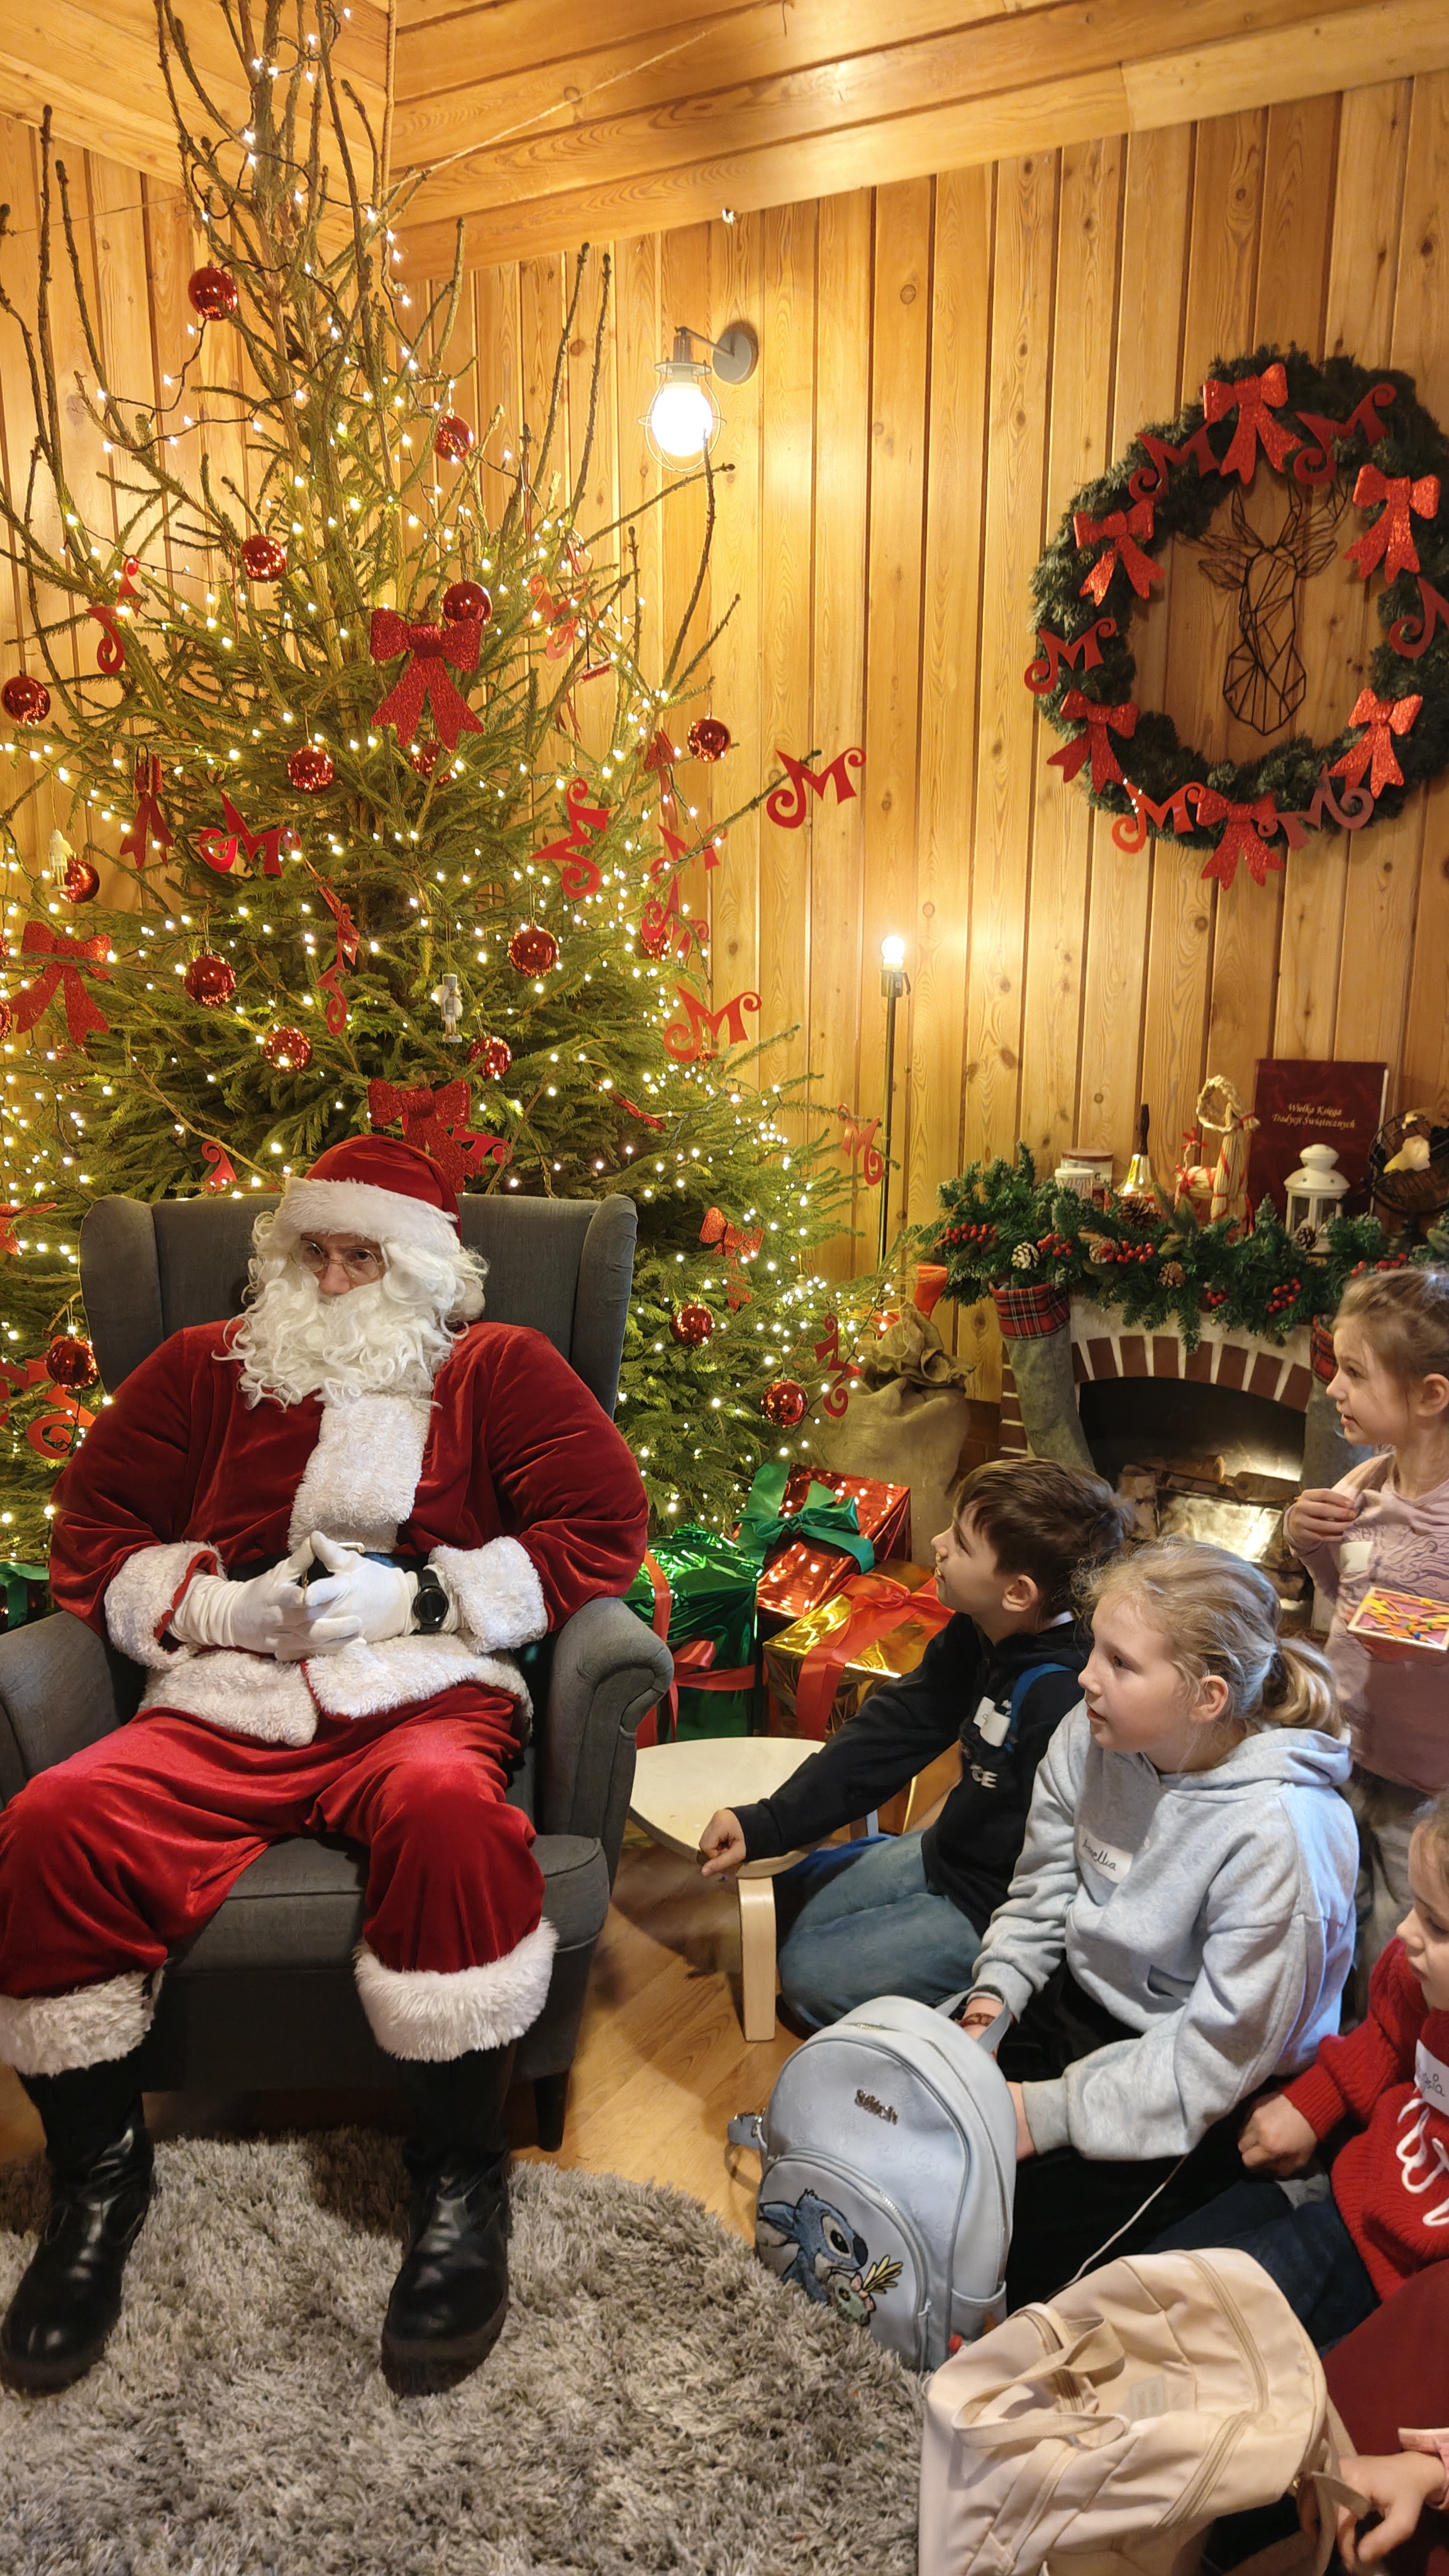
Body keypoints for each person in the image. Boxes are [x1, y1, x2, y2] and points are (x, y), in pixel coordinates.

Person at [0, 1137, 648, 2398]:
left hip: (420, 1690)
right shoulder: (205, 1368)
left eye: (364, 1255)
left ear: (424, 1268)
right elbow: (93, 1529)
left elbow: (601, 1525)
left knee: (451, 1813)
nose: (336, 1278)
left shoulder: (498, 1368)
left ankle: (460, 2178)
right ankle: (99, 2182)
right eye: (316, 1252)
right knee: (54, 1819)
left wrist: (423, 1597)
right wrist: (218, 1609)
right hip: (226, 1693)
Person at [955, 1539, 1357, 2311]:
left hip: (1209, 2076)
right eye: (1095, 1649)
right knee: (934, 2152)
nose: (1085, 1677)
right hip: (1083, 2001)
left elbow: (1213, 2057)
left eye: (1120, 1662)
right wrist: (991, 2002)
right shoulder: (1092, 1730)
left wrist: (1042, 2114)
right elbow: (1042, 1890)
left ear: (1207, 1697)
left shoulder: (1282, 1836)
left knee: (1017, 2262)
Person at [696, 1459, 1131, 2028]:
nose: (938, 1543)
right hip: (945, 1851)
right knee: (781, 1899)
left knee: (807, 1979)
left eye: (962, 1543)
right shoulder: (982, 1625)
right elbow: (897, 1728)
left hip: (993, 1905)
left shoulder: (1063, 1698)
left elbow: (1056, 1877)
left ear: (1018, 1592)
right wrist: (768, 1822)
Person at [1152, 1792, 1449, 2354]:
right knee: (1158, 2286)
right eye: (1415, 1906)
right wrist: (1316, 2103)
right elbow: (1388, 2035)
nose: (1406, 1932)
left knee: (1192, 2345)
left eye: (1438, 1925)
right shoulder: (1420, 1978)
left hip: (1402, 2296)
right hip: (1350, 2202)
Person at [1284, 1266, 1449, 1987]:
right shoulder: (1363, 1485)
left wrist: (1429, 1634)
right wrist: (1304, 1537)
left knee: (1399, 1949)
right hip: (1344, 1752)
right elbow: (1340, 1592)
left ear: (1431, 1395)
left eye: (1353, 1371)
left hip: (1430, 1790)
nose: (1332, 1389)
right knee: (1331, 1916)